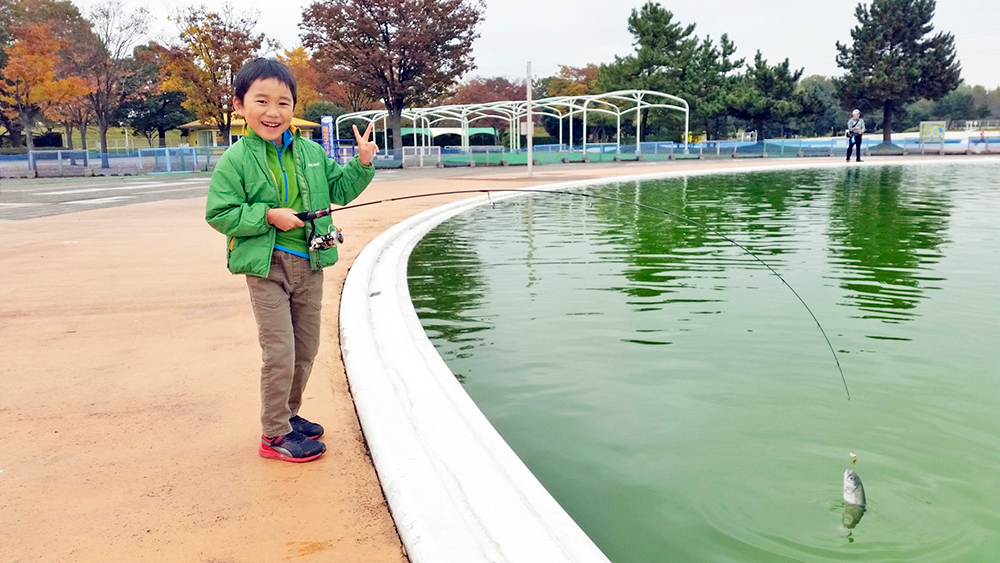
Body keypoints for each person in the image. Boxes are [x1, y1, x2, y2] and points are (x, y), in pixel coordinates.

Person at [205, 58, 378, 462]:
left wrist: (363, 163)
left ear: (293, 108)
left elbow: (340, 188)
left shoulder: (311, 152)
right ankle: (273, 434)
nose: (273, 112)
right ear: (239, 105)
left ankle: (289, 414)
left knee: (306, 348)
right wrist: (266, 216)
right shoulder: (235, 160)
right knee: (279, 351)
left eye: (283, 103)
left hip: (310, 264)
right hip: (267, 268)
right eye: (261, 101)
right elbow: (220, 213)